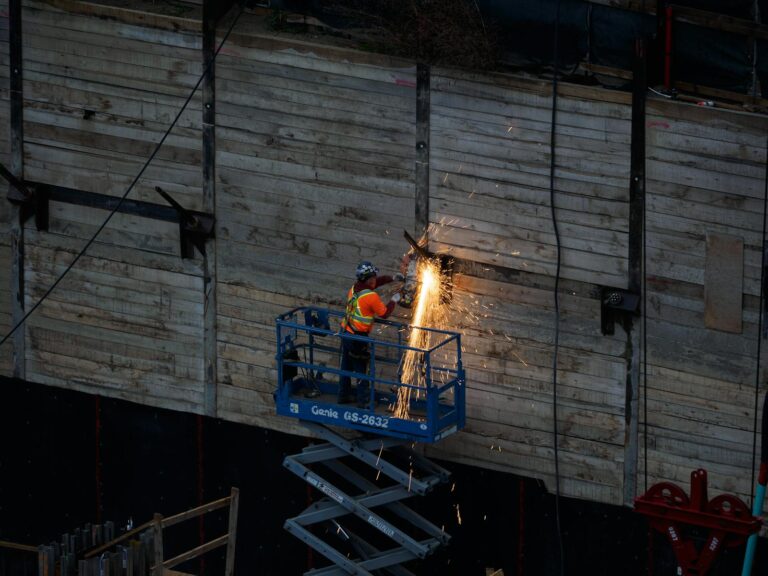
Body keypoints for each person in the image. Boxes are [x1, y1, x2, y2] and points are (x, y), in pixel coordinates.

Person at [338, 260, 403, 407]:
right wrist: (394, 300)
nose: (375, 279)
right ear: (369, 278)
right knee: (362, 370)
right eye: (374, 277)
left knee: (346, 367)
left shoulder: (355, 288)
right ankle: (364, 402)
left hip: (346, 332)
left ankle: (343, 396)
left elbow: (374, 284)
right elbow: (385, 313)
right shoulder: (371, 297)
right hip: (358, 339)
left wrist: (391, 279)